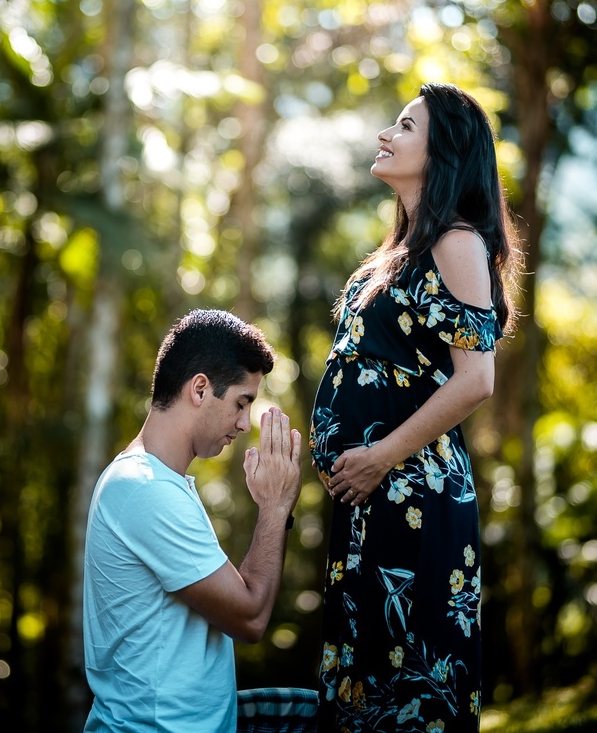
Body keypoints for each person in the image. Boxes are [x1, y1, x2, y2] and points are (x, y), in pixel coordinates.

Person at [309, 83, 521, 732]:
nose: (385, 134)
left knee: (410, 693)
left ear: (444, 152)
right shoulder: (391, 255)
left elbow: (477, 379)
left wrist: (379, 456)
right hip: (369, 499)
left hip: (413, 499)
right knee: (361, 687)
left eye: (404, 126)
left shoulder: (456, 242)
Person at [82, 308, 304, 733]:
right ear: (200, 389)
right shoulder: (144, 489)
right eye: (242, 403)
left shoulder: (161, 483)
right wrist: (275, 509)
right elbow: (250, 617)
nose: (244, 423)